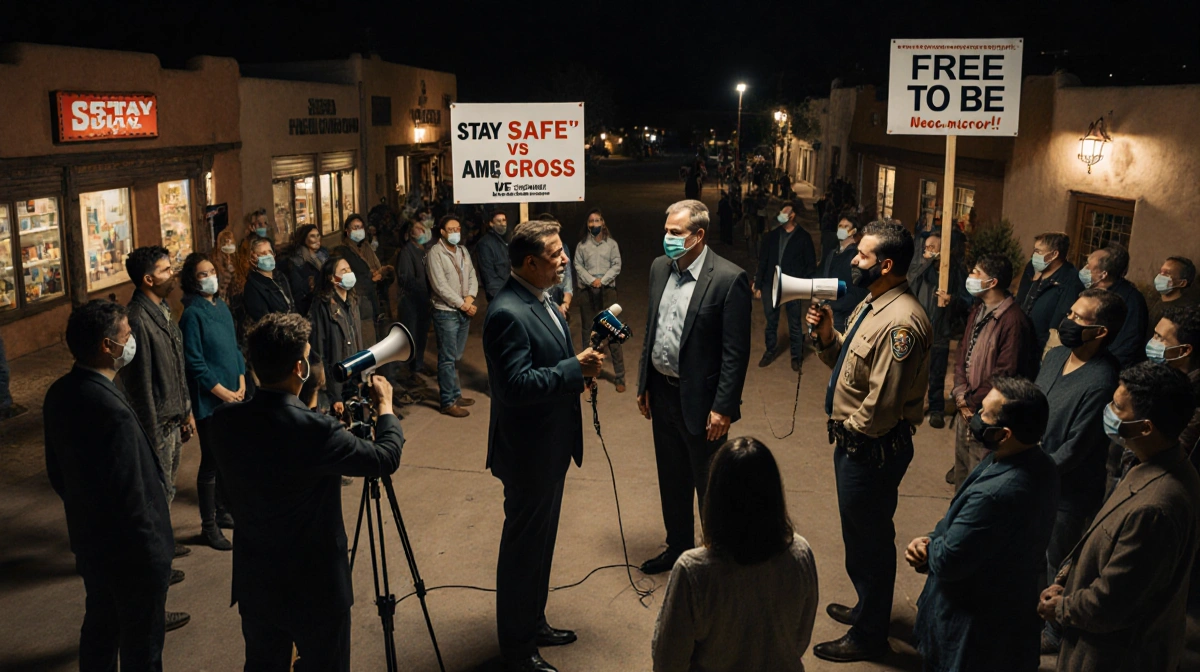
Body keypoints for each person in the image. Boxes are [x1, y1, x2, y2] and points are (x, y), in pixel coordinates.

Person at [210, 313, 403, 671]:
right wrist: (386, 409)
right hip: (314, 587)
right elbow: (384, 458)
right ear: (300, 367)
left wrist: (328, 427)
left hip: (257, 581)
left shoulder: (223, 420)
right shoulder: (316, 432)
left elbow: (274, 458)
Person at [805, 221, 931, 662]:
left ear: (887, 264)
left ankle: (870, 635)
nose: (853, 260)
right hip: (857, 446)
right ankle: (868, 608)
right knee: (858, 538)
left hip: (871, 449)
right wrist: (824, 335)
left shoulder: (902, 323)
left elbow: (879, 407)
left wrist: (849, 438)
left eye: (861, 255)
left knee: (873, 542)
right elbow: (846, 359)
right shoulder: (874, 302)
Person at [482, 218, 604, 672]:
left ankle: (534, 622)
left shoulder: (541, 297)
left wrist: (576, 368)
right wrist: (574, 371)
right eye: (555, 255)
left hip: (550, 448)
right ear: (530, 263)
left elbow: (547, 363)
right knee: (521, 554)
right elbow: (513, 387)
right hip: (528, 455)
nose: (565, 259)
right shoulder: (506, 313)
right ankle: (516, 650)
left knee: (541, 547)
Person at [45, 301, 187, 668]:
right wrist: (155, 552)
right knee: (142, 644)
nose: (132, 341)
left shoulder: (61, 392)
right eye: (127, 335)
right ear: (107, 346)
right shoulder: (110, 408)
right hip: (133, 553)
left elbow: (57, 473)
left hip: (92, 542)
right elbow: (133, 490)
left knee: (101, 628)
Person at [1039, 362, 1200, 671]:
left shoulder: (1155, 509)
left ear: (1145, 427)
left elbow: (1111, 604)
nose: (1108, 410)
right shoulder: (1151, 461)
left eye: (1117, 407)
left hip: (1112, 657)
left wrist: (1062, 608)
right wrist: (1069, 575)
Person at [906, 377, 1057, 672]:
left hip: (975, 627)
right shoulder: (1035, 461)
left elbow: (950, 560)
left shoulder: (998, 492)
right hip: (1007, 611)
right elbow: (961, 520)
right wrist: (933, 537)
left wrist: (928, 549)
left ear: (1004, 433)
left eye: (984, 414)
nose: (976, 418)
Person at [636, 199, 752, 576]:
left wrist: (723, 407)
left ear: (698, 236)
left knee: (709, 486)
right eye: (665, 229)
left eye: (675, 233)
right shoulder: (659, 269)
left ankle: (716, 560)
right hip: (663, 394)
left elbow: (735, 353)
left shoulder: (728, 279)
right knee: (671, 480)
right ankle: (678, 548)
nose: (666, 238)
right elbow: (652, 329)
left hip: (703, 404)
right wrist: (644, 381)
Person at [651, 437, 817, 672]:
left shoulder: (693, 569)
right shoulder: (801, 552)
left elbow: (667, 661)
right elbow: (800, 637)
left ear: (715, 496)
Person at [1034, 288, 1125, 654]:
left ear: (1100, 331)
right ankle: (1034, 613)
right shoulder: (1056, 356)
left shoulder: (1102, 379)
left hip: (1067, 489)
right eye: (1069, 312)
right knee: (1033, 552)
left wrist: (1031, 469)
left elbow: (1076, 447)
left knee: (1058, 560)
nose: (1067, 321)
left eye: (1078, 317)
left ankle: (1055, 633)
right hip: (1037, 474)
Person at [119, 246, 194, 567]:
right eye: (166, 270)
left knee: (167, 491)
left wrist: (186, 410)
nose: (173, 274)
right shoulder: (136, 318)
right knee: (155, 495)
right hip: (157, 425)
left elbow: (176, 365)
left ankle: (163, 544)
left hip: (172, 416)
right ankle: (154, 561)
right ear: (148, 279)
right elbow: (140, 387)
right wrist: (152, 436)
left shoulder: (161, 308)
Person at [947, 255, 1039, 488]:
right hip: (965, 407)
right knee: (961, 472)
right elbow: (963, 353)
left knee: (979, 475)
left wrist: (972, 403)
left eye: (976, 272)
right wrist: (960, 395)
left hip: (986, 413)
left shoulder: (1012, 320)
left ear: (992, 282)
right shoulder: (978, 309)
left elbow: (1004, 373)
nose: (971, 277)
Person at [179, 253, 245, 551]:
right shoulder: (192, 314)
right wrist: (221, 392)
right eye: (203, 274)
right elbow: (194, 363)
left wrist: (241, 380)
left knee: (228, 458)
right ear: (193, 280)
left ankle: (224, 510)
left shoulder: (221, 306)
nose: (210, 278)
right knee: (211, 461)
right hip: (212, 400)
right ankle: (209, 525)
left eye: (212, 272)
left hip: (234, 393)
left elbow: (234, 349)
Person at [908, 231, 967, 429]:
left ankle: (936, 409)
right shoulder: (918, 268)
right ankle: (911, 407)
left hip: (940, 329)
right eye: (926, 247)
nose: (928, 251)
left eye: (933, 248)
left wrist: (951, 300)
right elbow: (911, 284)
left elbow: (966, 299)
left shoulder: (953, 271)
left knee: (936, 372)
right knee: (912, 370)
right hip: (917, 327)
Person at [753, 201, 816, 372]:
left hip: (792, 287)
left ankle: (796, 357)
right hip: (770, 285)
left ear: (792, 215)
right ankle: (770, 351)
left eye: (784, 213)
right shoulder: (772, 236)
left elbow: (810, 265)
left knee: (794, 324)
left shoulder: (803, 238)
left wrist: (805, 285)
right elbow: (763, 261)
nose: (781, 215)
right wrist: (758, 284)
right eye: (780, 212)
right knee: (771, 322)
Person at [427, 214, 479, 417]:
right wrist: (462, 304)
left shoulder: (463, 251)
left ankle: (456, 395)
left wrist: (470, 298)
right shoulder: (435, 253)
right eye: (451, 229)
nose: (455, 233)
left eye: (458, 229)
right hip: (446, 312)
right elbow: (440, 286)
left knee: (456, 356)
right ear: (442, 232)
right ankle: (447, 401)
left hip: (463, 309)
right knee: (447, 359)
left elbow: (473, 275)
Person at [574, 208, 626, 392]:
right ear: (587, 225)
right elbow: (578, 266)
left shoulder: (611, 245)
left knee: (612, 332)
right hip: (587, 293)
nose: (594, 224)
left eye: (597, 221)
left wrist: (601, 281)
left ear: (603, 223)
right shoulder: (582, 246)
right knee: (588, 333)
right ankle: (588, 376)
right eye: (591, 221)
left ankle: (619, 377)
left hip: (607, 292)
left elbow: (617, 265)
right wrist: (591, 281)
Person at [308, 256, 362, 416]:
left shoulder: (353, 301)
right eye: (343, 270)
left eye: (349, 269)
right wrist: (334, 393)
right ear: (332, 278)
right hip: (335, 377)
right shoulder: (322, 306)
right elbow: (319, 349)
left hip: (354, 373)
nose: (348, 273)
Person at [1078, 243, 1148, 367]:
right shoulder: (1089, 292)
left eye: (1089, 266)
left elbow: (1127, 344)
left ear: (1103, 274)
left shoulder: (1131, 300)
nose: (1084, 269)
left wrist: (1101, 367)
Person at [1016, 232, 1086, 353]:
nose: (1034, 255)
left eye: (1038, 251)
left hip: (1038, 347)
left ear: (1054, 254)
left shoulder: (1071, 280)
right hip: (1018, 338)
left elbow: (1059, 320)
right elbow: (1021, 299)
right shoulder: (1031, 268)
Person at [334, 214, 392, 350]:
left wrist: (382, 274)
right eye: (355, 227)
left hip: (373, 301)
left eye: (360, 227)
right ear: (347, 231)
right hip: (359, 303)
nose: (359, 230)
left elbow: (377, 268)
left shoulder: (367, 248)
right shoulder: (343, 252)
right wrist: (370, 279)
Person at [394, 220, 433, 383]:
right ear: (410, 233)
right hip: (411, 302)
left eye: (424, 228)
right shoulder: (406, 253)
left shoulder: (424, 251)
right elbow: (406, 279)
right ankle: (410, 371)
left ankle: (419, 364)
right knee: (411, 335)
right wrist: (423, 290)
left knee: (422, 334)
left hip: (424, 300)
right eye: (419, 228)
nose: (423, 231)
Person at [820, 213, 868, 333]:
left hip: (843, 318)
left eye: (846, 226)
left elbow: (858, 293)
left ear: (853, 231)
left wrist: (834, 304)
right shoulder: (832, 253)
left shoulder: (856, 257)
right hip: (828, 314)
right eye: (840, 225)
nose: (841, 229)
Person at [241, 237, 295, 326]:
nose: (268, 256)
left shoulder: (280, 277)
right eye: (263, 253)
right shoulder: (252, 286)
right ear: (254, 258)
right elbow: (263, 320)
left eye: (270, 252)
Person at [1147, 256, 1197, 339]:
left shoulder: (1184, 312)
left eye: (1167, 273)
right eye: (1161, 272)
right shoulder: (1154, 302)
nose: (1160, 276)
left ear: (1182, 283)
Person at [286, 224, 329, 317]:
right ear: (304, 239)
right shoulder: (297, 261)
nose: (317, 239)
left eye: (318, 235)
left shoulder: (323, 254)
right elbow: (297, 290)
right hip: (309, 306)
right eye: (312, 236)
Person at [477, 210, 511, 302]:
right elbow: (488, 274)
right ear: (491, 224)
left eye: (504, 220)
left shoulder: (507, 240)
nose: (502, 223)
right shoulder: (485, 244)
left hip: (509, 292)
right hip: (498, 295)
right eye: (498, 221)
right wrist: (498, 295)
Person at [211, 228, 239, 303]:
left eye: (230, 242)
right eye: (226, 242)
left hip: (233, 297)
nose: (229, 245)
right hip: (222, 297)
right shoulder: (217, 260)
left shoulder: (234, 257)